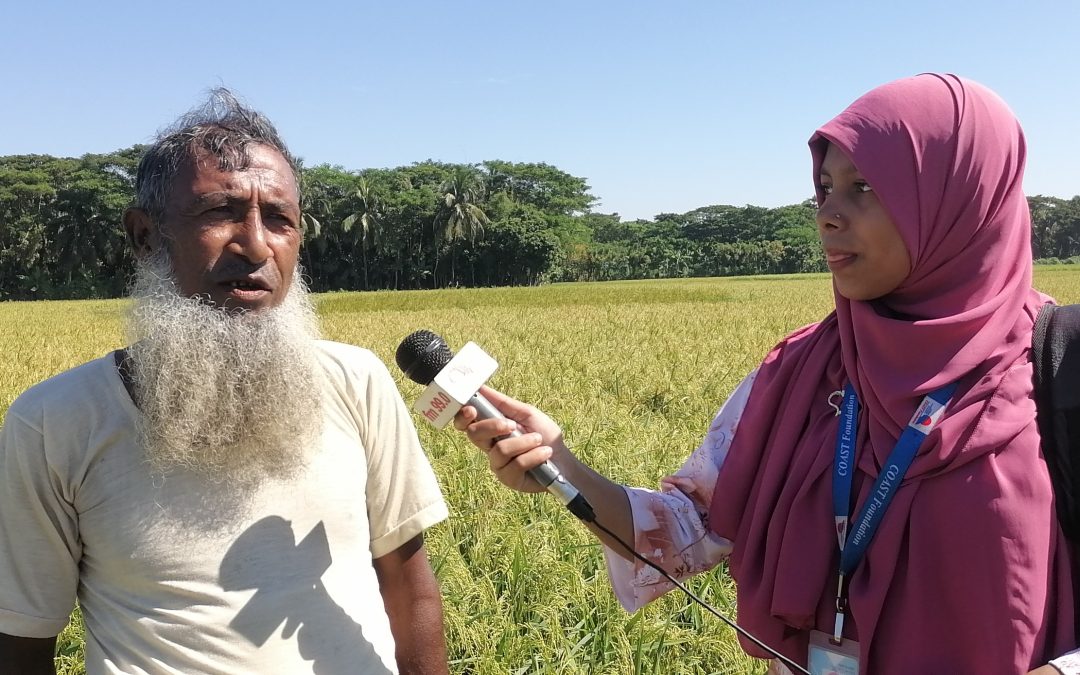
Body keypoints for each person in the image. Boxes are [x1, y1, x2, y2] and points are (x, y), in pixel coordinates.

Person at [454, 73, 1079, 674]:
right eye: (824, 188)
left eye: (864, 187)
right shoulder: (802, 370)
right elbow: (688, 531)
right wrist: (561, 465)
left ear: (960, 198)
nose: (829, 215)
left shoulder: (1062, 368)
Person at [0, 90, 450, 675]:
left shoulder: (356, 382)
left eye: (281, 219)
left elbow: (409, 589)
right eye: (220, 212)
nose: (257, 245)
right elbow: (21, 639)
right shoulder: (53, 422)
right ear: (145, 237)